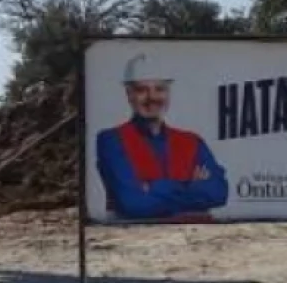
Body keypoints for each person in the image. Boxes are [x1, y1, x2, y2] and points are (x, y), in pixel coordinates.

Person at [94, 53, 229, 220]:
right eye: (142, 90)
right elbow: (132, 204)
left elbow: (218, 194)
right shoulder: (111, 141)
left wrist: (153, 187)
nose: (152, 97)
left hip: (196, 233)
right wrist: (190, 186)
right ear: (129, 94)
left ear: (168, 92)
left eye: (159, 89)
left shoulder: (192, 141)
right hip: (136, 234)